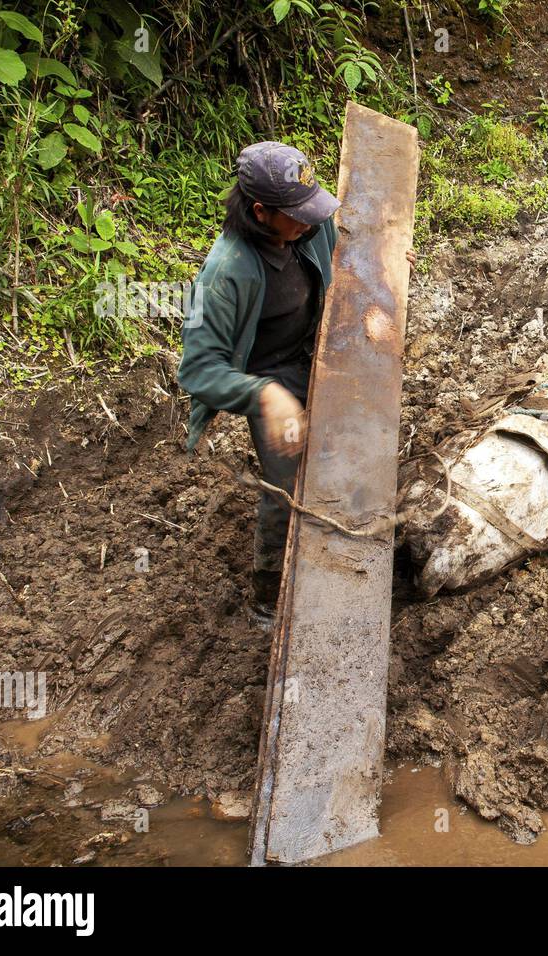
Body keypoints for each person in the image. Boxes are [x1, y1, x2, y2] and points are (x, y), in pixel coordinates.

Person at [178, 141, 412, 626]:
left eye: (312, 209)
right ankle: (269, 597)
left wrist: (386, 267)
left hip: (320, 353)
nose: (311, 222)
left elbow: (352, 252)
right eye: (297, 215)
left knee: (354, 450)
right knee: (288, 488)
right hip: (269, 382)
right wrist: (264, 395)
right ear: (261, 212)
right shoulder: (223, 275)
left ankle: (351, 553)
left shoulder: (308, 222)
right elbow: (197, 371)